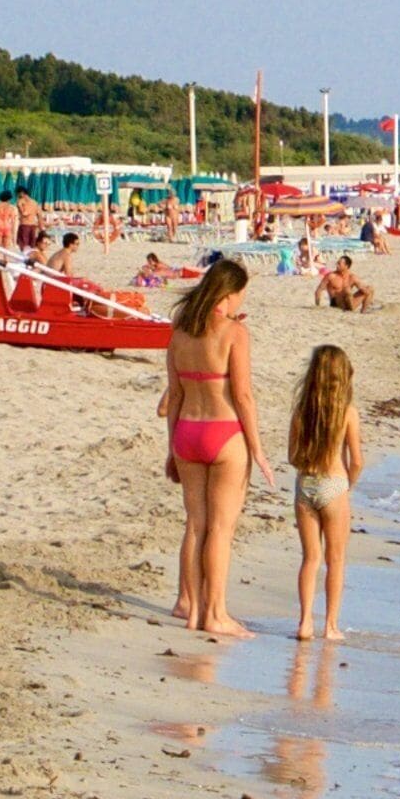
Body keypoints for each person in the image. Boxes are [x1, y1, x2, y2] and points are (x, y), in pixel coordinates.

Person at [159, 260, 271, 639]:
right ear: (229, 293)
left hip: (187, 431)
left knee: (196, 525)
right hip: (224, 434)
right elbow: (242, 395)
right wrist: (257, 449)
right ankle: (216, 613)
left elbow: (173, 397)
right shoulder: (234, 333)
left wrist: (171, 448)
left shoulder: (179, 333)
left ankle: (191, 608)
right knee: (221, 530)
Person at [284, 344, 364, 642]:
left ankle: (305, 622)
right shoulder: (347, 413)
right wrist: (348, 483)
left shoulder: (302, 411)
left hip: (306, 483)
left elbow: (292, 456)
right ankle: (330, 625)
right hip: (334, 483)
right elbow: (356, 459)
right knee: (337, 558)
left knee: (310, 558)